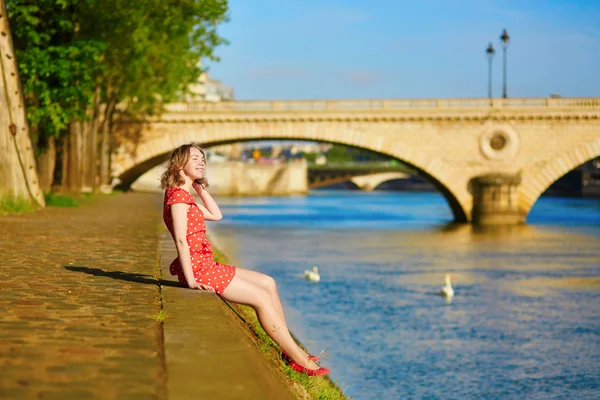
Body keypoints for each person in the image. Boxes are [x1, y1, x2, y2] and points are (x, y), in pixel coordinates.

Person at [160, 143, 329, 377]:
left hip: (207, 264)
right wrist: (190, 281)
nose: (202, 162)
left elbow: (216, 215)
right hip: (199, 270)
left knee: (268, 282)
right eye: (195, 158)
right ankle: (298, 359)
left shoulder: (185, 196)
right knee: (260, 298)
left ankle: (287, 346)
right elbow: (180, 240)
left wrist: (199, 187)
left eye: (203, 159)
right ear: (180, 164)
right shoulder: (178, 198)